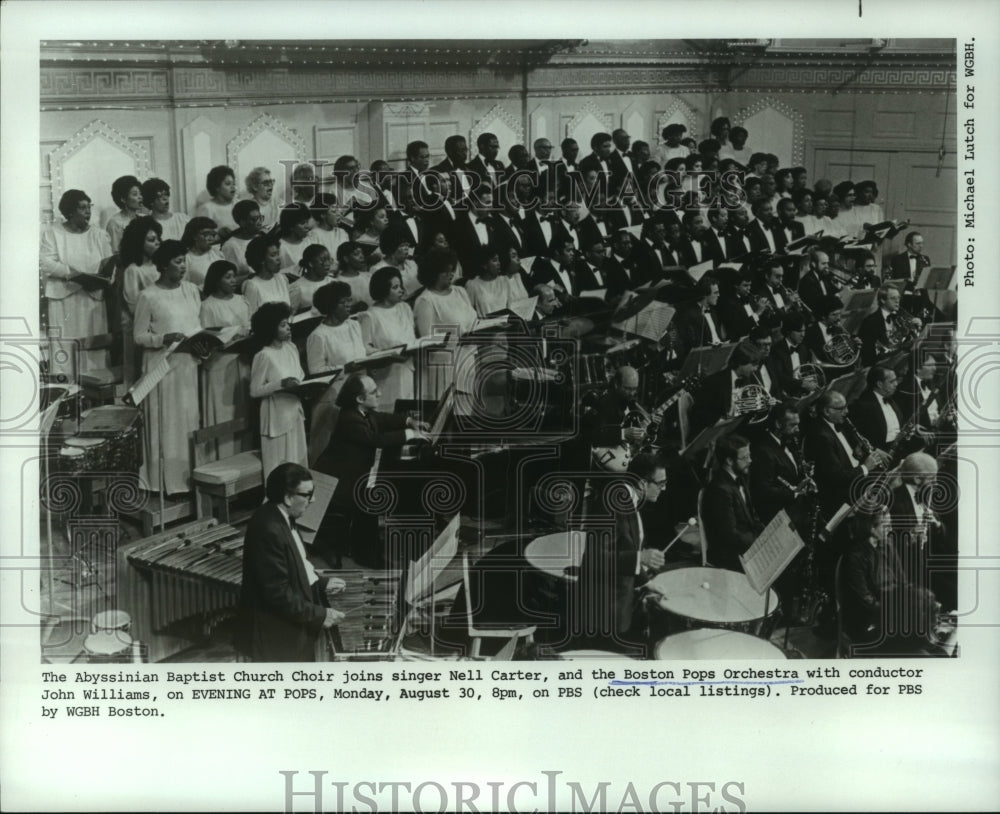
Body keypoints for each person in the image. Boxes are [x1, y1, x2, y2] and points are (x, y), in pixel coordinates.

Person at [313, 374, 429, 567]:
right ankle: (367, 555)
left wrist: (408, 421)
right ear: (359, 399)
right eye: (374, 392)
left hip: (353, 474)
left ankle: (371, 547)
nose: (380, 394)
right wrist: (410, 434)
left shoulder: (362, 412)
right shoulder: (349, 418)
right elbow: (374, 440)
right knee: (370, 500)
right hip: (339, 482)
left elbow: (383, 419)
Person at [237, 462, 346, 662]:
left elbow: (297, 562)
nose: (312, 500)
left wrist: (319, 582)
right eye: (307, 494)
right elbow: (278, 594)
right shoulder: (268, 529)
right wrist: (320, 615)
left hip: (285, 616)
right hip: (274, 631)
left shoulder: (282, 516)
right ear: (288, 497)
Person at [133, 239, 202, 496]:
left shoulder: (192, 290)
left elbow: (197, 325)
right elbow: (138, 336)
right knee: (167, 422)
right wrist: (162, 339)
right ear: (163, 265)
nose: (182, 266)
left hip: (188, 365)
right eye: (177, 261)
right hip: (162, 366)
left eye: (184, 261)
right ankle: (161, 482)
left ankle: (187, 480)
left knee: (188, 419)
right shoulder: (148, 295)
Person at [578, 452, 666, 648]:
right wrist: (641, 557)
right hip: (603, 609)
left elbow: (625, 547)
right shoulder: (612, 505)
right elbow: (596, 558)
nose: (664, 488)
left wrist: (645, 582)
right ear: (642, 483)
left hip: (617, 601)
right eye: (660, 483)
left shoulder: (627, 500)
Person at [841, 505, 945, 656]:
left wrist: (912, 605)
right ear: (871, 528)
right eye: (886, 525)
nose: (890, 529)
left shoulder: (888, 544)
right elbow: (866, 600)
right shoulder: (856, 557)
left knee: (926, 612)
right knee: (919, 632)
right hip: (874, 617)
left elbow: (903, 583)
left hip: (896, 608)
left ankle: (931, 645)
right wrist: (896, 613)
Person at [39, 189, 115, 380]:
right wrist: (71, 274)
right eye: (82, 207)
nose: (87, 211)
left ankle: (94, 395)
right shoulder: (53, 233)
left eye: (89, 206)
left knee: (93, 351)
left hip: (92, 300)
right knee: (65, 349)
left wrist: (101, 279)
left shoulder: (99, 234)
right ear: (70, 211)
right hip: (63, 300)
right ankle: (67, 397)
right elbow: (45, 263)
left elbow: (109, 266)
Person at [803, 390, 886, 517]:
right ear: (826, 411)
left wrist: (857, 455)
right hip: (841, 497)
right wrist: (865, 467)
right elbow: (837, 478)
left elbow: (841, 457)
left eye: (846, 407)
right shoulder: (820, 436)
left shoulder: (839, 424)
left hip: (852, 481)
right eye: (841, 409)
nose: (846, 412)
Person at [199, 260, 252, 457]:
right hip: (220, 365)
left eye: (234, 276)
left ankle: (244, 459)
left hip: (242, 362)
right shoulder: (208, 306)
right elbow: (206, 338)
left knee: (242, 412)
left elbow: (248, 326)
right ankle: (222, 459)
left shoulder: (242, 300)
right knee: (223, 415)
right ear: (216, 280)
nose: (233, 281)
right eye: (228, 277)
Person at [250, 301, 308, 478]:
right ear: (271, 329)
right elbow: (254, 390)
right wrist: (280, 384)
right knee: (279, 466)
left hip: (294, 410)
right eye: (283, 325)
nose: (289, 327)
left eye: (287, 323)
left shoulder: (291, 348)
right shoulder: (264, 355)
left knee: (298, 460)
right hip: (276, 415)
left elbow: (300, 375)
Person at [412, 247, 478, 402]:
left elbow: (472, 319)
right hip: (443, 366)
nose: (451, 275)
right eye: (446, 271)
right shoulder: (426, 300)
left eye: (452, 270)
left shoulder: (460, 292)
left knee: (467, 412)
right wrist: (458, 337)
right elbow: (427, 339)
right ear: (434, 273)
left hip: (467, 358)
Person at [701, 434, 764, 572]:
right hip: (730, 555)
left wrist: (765, 534)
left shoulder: (740, 477)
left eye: (749, 455)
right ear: (729, 461)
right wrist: (758, 542)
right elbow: (729, 534)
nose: (750, 460)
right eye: (745, 458)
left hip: (746, 545)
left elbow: (752, 516)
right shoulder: (719, 490)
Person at [358, 266, 416, 412]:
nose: (401, 290)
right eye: (395, 287)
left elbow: (412, 336)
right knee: (390, 414)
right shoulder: (370, 315)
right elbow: (365, 349)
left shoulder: (405, 308)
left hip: (407, 369)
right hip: (387, 375)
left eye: (400, 286)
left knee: (407, 412)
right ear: (384, 290)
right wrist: (389, 354)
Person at [119, 215, 163, 385]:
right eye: (152, 240)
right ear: (139, 243)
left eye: (158, 238)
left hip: (159, 324)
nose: (157, 243)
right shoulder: (134, 270)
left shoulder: (160, 266)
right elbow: (133, 306)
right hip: (141, 327)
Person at [306, 281, 366, 375]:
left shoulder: (354, 325)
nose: (348, 305)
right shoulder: (318, 336)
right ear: (331, 306)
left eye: (349, 300)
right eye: (343, 302)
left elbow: (363, 354)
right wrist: (344, 368)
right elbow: (315, 371)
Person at [858, 283, 921, 366]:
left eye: (898, 297)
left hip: (898, 362)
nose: (897, 301)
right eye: (893, 298)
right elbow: (868, 356)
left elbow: (908, 341)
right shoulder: (870, 322)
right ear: (882, 300)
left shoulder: (900, 316)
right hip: (878, 366)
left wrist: (917, 326)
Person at [848, 366, 907, 451]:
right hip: (880, 453)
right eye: (892, 381)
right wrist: (875, 450)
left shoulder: (891, 398)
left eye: (896, 380)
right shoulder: (862, 405)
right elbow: (856, 436)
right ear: (879, 384)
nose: (896, 384)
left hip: (898, 447)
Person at [243, 233, 291, 314]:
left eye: (278, 253)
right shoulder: (253, 286)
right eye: (273, 255)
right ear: (261, 259)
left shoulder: (282, 279)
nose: (278, 258)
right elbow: (250, 319)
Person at [220, 199, 264, 285]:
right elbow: (228, 280)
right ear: (242, 222)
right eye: (254, 219)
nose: (259, 223)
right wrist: (250, 277)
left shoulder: (262, 238)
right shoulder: (230, 246)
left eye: (260, 218)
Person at [105, 174, 147, 254]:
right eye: (135, 194)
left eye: (140, 194)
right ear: (123, 199)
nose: (140, 197)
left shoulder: (144, 219)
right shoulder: (114, 223)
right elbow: (115, 252)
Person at [195, 165, 238, 239]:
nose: (233, 187)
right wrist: (219, 234)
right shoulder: (207, 209)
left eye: (234, 183)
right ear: (217, 187)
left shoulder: (238, 204)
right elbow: (201, 238)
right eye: (228, 184)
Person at [309, 193, 351, 269]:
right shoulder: (313, 236)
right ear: (323, 215)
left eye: (339, 210)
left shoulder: (343, 233)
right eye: (334, 211)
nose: (339, 214)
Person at [181, 216, 223, 291]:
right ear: (194, 236)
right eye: (206, 234)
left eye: (213, 234)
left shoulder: (217, 254)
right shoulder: (186, 258)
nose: (211, 239)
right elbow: (183, 287)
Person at [141, 178, 190, 242]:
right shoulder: (146, 224)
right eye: (160, 195)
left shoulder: (183, 219)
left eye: (166, 194)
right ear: (151, 201)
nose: (165, 198)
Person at [289, 244, 333, 313]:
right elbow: (291, 317)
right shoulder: (297, 288)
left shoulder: (333, 283)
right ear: (311, 264)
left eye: (329, 259)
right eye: (323, 260)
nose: (328, 263)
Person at [277, 203, 317, 272]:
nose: (307, 226)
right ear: (291, 226)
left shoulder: (311, 240)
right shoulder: (281, 247)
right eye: (303, 223)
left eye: (307, 222)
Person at [335, 240, 374, 308]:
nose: (362, 256)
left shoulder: (368, 276)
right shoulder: (339, 282)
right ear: (346, 258)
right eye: (356, 254)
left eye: (362, 253)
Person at [243, 166, 282, 231]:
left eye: (271, 182)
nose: (270, 185)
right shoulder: (248, 208)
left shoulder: (278, 204)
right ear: (255, 186)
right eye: (266, 183)